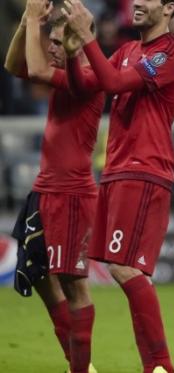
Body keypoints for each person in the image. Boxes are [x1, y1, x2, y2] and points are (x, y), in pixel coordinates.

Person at [61, 0, 174, 372]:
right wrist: (73, 54)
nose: (136, 2)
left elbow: (115, 83)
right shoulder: (128, 51)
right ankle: (154, 367)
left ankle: (163, 365)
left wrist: (87, 38)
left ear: (167, 8)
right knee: (131, 272)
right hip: (118, 170)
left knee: (125, 269)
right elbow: (84, 86)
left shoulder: (172, 53)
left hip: (145, 168)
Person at [4, 1, 102, 372]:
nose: (53, 48)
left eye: (60, 42)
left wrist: (32, 18)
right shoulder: (62, 71)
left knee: (74, 285)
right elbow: (15, 65)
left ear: (80, 41)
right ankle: (78, 363)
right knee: (41, 277)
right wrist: (27, 23)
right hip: (45, 191)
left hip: (72, 195)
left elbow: (38, 70)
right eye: (52, 41)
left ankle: (82, 368)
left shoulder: (89, 77)